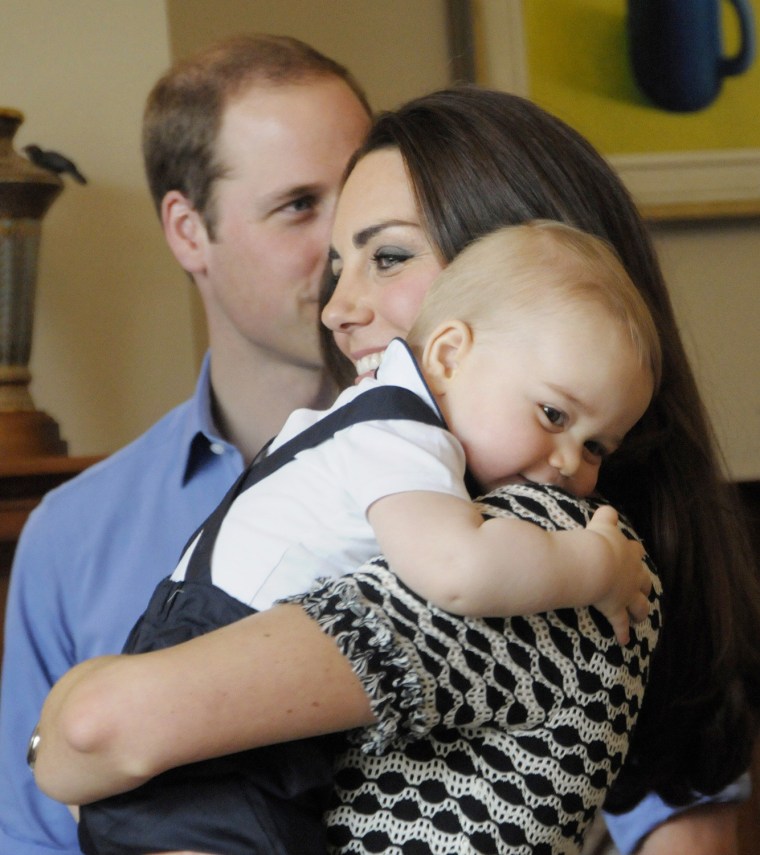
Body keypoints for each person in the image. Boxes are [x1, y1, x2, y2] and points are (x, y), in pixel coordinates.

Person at [32, 88, 760, 855]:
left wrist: (65, 735)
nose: (337, 308)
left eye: (389, 256)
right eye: (340, 266)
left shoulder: (543, 546)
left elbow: (95, 727)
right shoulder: (412, 481)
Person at [73, 221, 660, 853]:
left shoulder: (368, 421)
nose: (570, 462)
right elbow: (460, 569)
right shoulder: (401, 435)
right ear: (449, 356)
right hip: (220, 687)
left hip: (198, 681)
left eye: (596, 445)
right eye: (553, 414)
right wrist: (592, 565)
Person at [0, 34, 371, 855]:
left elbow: (667, 807)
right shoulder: (70, 538)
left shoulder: (493, 465)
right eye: (300, 205)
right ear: (188, 231)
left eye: (362, 195)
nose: (348, 245)